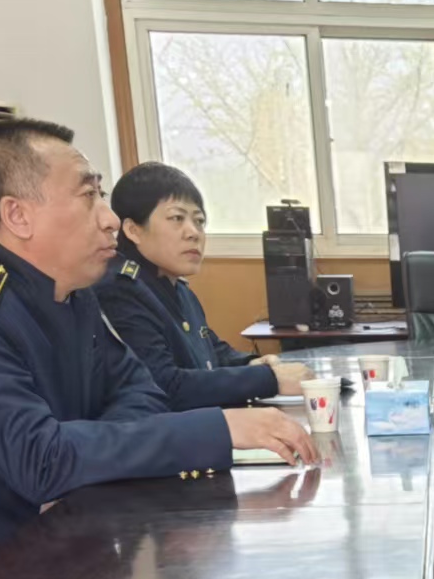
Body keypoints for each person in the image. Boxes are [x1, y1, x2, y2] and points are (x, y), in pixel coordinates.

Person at [0, 119, 315, 579]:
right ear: (18, 215)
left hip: (56, 548)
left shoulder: (71, 292)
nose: (110, 218)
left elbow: (141, 390)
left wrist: (79, 459)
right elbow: (40, 459)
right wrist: (217, 429)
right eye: (88, 195)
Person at [96, 162, 309, 410]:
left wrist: (254, 364)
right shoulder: (121, 290)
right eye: (177, 218)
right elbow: (163, 385)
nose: (193, 233)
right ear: (133, 230)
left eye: (199, 221)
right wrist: (268, 379)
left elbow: (213, 351)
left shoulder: (177, 287)